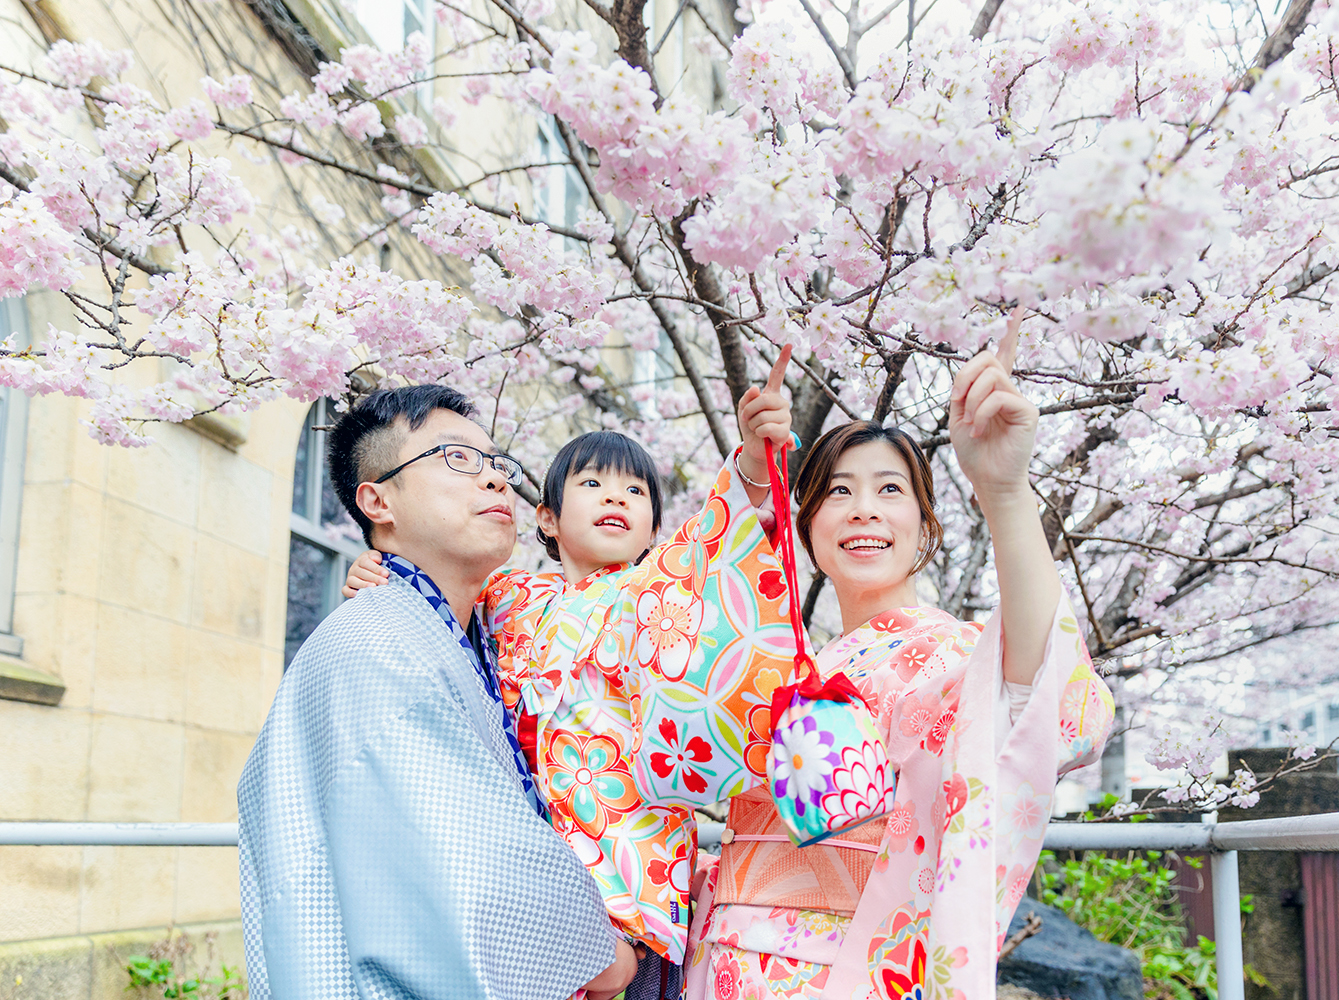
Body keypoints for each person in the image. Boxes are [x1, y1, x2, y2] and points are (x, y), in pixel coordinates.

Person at [678, 318, 1118, 1000]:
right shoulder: (795, 663)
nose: (862, 511)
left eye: (889, 490)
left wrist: (1003, 492)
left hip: (843, 971)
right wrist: (748, 471)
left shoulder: (945, 655)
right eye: (838, 492)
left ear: (925, 525)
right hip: (724, 960)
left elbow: (1042, 698)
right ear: (808, 522)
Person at [342, 357, 799, 998]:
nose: (617, 497)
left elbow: (713, 545)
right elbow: (435, 592)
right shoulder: (505, 594)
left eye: (636, 492)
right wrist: (377, 568)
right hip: (532, 869)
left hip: (631, 863)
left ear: (652, 533)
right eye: (591, 484)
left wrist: (752, 461)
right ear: (548, 520)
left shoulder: (656, 587)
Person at [237, 385, 636, 1000]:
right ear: (378, 500)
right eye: (457, 459)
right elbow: (472, 865)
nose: (494, 481)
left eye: (497, 464)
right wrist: (600, 954)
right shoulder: (377, 643)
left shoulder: (469, 632)